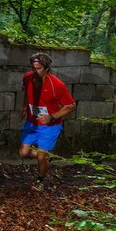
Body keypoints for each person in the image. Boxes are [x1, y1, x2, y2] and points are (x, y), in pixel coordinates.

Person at [19, 52, 75, 191]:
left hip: (50, 125)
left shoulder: (57, 85)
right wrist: (25, 105)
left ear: (46, 68)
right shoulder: (27, 77)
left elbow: (71, 106)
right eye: (33, 68)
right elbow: (27, 91)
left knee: (40, 157)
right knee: (23, 153)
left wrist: (52, 117)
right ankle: (44, 155)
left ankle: (40, 179)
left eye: (38, 68)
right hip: (32, 122)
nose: (34, 71)